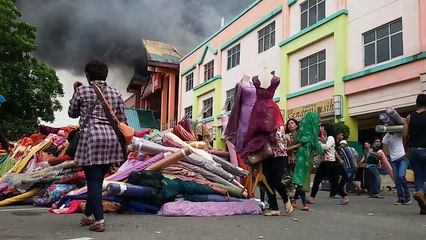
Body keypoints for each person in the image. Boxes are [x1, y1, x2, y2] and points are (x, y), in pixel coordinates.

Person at [68, 59, 127, 232]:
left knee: (93, 180)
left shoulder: (82, 90)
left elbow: (72, 113)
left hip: (92, 138)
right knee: (97, 179)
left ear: (87, 75)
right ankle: (88, 216)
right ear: (105, 75)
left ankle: (99, 220)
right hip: (112, 140)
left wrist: (75, 93)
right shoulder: (116, 93)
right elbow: (122, 120)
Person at [309, 124, 349, 205]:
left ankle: (344, 197)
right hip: (324, 163)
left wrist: (318, 142)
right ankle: (311, 198)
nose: (320, 128)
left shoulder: (331, 138)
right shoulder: (324, 138)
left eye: (322, 127)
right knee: (317, 180)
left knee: (334, 182)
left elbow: (326, 147)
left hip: (331, 163)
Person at [403, 93, 426, 214]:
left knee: (419, 177)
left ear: (417, 103)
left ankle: (423, 206)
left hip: (413, 150)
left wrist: (406, 150)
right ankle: (422, 193)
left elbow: (405, 135)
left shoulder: (409, 117)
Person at [382, 132, 411, 205]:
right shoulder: (388, 135)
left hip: (403, 157)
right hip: (394, 159)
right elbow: (384, 142)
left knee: (401, 176)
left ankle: (407, 195)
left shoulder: (400, 133)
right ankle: (401, 199)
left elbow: (406, 134)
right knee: (397, 179)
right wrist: (389, 133)